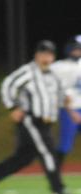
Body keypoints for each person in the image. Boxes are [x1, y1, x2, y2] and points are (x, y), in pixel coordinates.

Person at [0, 40, 78, 194]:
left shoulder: (53, 74)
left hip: (47, 122)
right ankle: (58, 191)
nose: (46, 58)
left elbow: (60, 96)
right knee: (48, 153)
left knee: (24, 158)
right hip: (31, 119)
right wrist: (13, 107)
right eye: (43, 54)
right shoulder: (28, 71)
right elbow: (8, 85)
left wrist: (70, 110)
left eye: (49, 54)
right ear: (36, 55)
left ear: (53, 56)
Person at [50, 36, 81, 169]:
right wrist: (70, 110)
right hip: (69, 109)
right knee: (65, 145)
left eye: (79, 49)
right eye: (75, 49)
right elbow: (58, 90)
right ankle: (54, 174)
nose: (77, 52)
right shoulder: (59, 67)